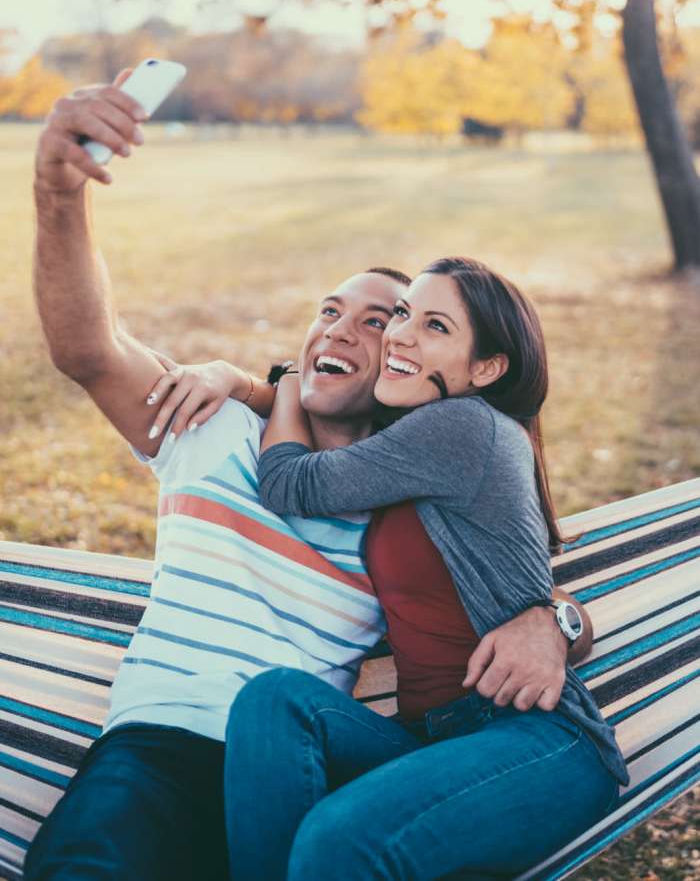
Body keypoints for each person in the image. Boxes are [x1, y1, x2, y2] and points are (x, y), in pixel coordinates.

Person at [26, 75, 593, 881]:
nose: (356, 331)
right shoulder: (209, 422)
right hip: (159, 754)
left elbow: (519, 591)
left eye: (386, 319)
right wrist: (57, 194)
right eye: (334, 310)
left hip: (313, 775)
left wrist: (555, 622)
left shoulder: (411, 497)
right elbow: (86, 348)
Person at [220, 258, 630, 880]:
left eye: (435, 326)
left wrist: (286, 382)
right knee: (275, 700)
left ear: (486, 369)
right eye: (405, 314)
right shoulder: (413, 435)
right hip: (434, 741)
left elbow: (287, 481)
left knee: (339, 841)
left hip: (535, 742)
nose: (401, 335)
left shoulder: (462, 427)